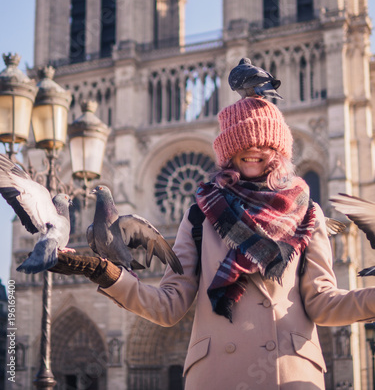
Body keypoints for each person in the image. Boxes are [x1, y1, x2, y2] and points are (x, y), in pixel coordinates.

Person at [51, 96, 375, 390]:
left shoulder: (308, 215)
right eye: (242, 142)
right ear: (227, 152)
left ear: (280, 152)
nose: (254, 149)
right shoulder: (201, 215)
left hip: (287, 375)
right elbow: (169, 305)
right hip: (218, 376)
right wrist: (105, 272)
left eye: (265, 143)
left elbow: (323, 302)